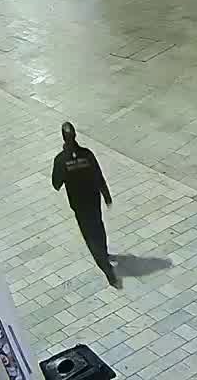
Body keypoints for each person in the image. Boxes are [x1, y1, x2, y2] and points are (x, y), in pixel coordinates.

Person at [51, 123, 117, 287]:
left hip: (79, 204)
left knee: (89, 235)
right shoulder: (87, 155)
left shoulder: (61, 160)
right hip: (93, 200)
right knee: (98, 228)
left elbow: (56, 184)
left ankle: (106, 267)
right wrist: (106, 195)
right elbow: (98, 175)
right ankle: (104, 253)